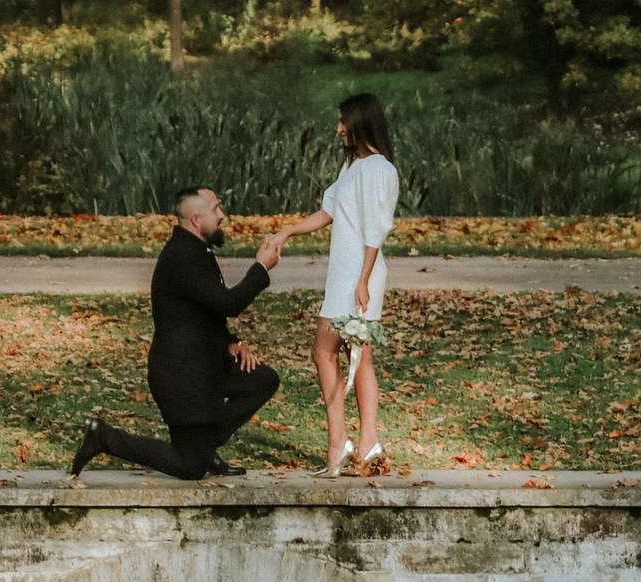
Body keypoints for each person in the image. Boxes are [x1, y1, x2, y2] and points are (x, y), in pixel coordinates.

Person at [69, 186, 283, 481]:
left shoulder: (195, 249)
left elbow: (203, 311)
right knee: (190, 467)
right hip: (182, 378)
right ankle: (104, 437)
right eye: (215, 209)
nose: (222, 215)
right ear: (196, 219)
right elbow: (228, 303)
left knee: (262, 379)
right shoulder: (182, 257)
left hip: (203, 368)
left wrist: (234, 342)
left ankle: (205, 447)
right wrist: (261, 268)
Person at [264, 93, 398, 475]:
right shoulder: (354, 166)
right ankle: (365, 443)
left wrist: (363, 281)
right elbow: (329, 212)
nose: (338, 128)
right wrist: (287, 232)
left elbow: (376, 230)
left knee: (325, 352)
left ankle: (342, 443)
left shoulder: (377, 169)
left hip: (357, 275)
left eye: (343, 121)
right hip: (346, 273)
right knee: (359, 356)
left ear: (360, 123)